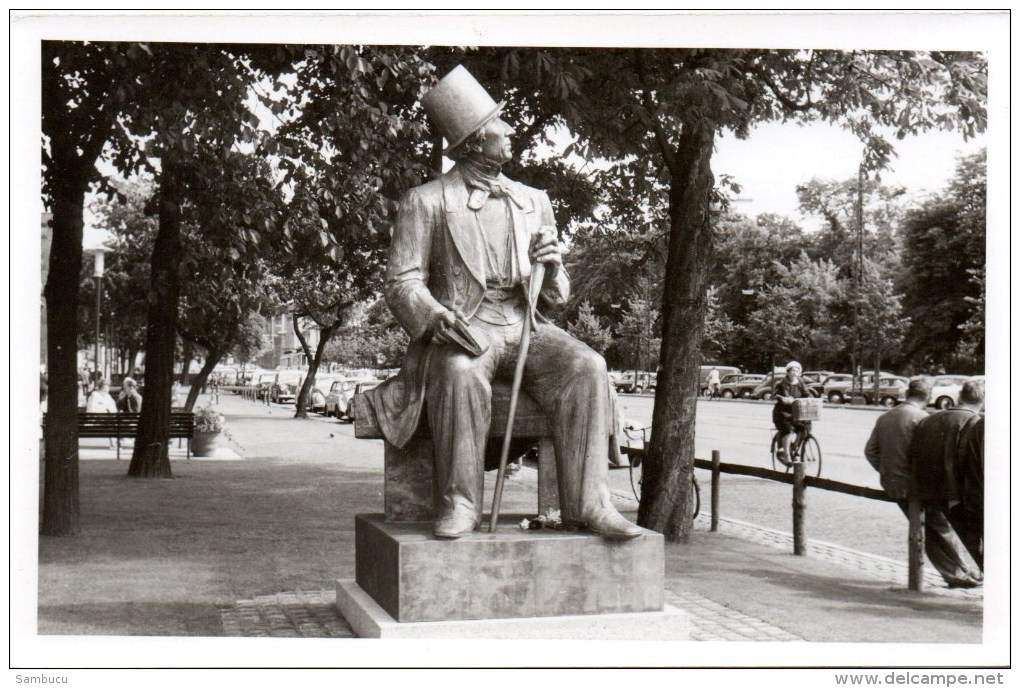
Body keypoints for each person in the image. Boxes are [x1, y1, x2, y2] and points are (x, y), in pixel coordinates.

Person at [365, 65, 641, 541]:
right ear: (475, 141)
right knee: (457, 372)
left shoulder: (534, 200)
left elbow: (554, 301)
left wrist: (554, 268)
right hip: (467, 327)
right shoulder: (427, 201)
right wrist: (434, 317)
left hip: (525, 325)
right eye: (499, 124)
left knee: (589, 366)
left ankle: (592, 504)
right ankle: (461, 504)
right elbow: (402, 282)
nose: (510, 131)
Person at [908, 378, 984, 588]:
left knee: (942, 537)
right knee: (978, 541)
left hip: (928, 491)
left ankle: (959, 574)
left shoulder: (930, 419)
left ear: (960, 396)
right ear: (983, 400)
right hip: (959, 495)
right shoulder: (975, 422)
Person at [772, 361, 812, 465]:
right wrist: (787, 399)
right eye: (793, 370)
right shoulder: (783, 384)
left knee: (806, 427)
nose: (795, 372)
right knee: (789, 429)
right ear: (788, 372)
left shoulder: (800, 382)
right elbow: (783, 396)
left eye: (797, 370)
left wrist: (810, 399)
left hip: (797, 411)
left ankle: (793, 447)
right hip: (783, 412)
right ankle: (786, 455)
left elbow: (806, 393)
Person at [86, 379, 118, 447]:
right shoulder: (94, 395)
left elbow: (114, 409)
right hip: (97, 420)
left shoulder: (108, 396)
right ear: (100, 388)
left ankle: (115, 442)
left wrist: (109, 412)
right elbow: (92, 410)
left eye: (108, 388)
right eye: (105, 388)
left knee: (113, 422)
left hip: (107, 420)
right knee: (111, 423)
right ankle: (114, 443)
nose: (107, 390)